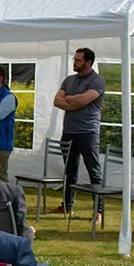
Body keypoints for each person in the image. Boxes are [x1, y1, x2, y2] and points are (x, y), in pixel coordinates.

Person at [51, 48, 105, 222]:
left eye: (78, 60)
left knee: (93, 171)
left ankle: (98, 210)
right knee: (69, 170)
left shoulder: (97, 81)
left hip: (88, 132)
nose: (75, 63)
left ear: (88, 62)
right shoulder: (69, 80)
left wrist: (70, 99)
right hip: (69, 132)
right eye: (75, 59)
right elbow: (56, 101)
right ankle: (67, 205)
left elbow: (83, 100)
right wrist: (75, 101)